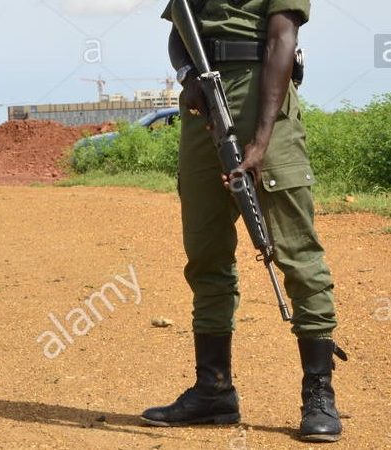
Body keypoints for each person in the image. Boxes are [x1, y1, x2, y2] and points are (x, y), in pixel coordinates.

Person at [141, 0, 343, 443]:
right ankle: (213, 392)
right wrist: (187, 76)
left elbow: (282, 38)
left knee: (296, 252)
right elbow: (180, 30)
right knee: (205, 253)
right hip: (202, 111)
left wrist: (262, 138)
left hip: (263, 96)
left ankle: (319, 394)